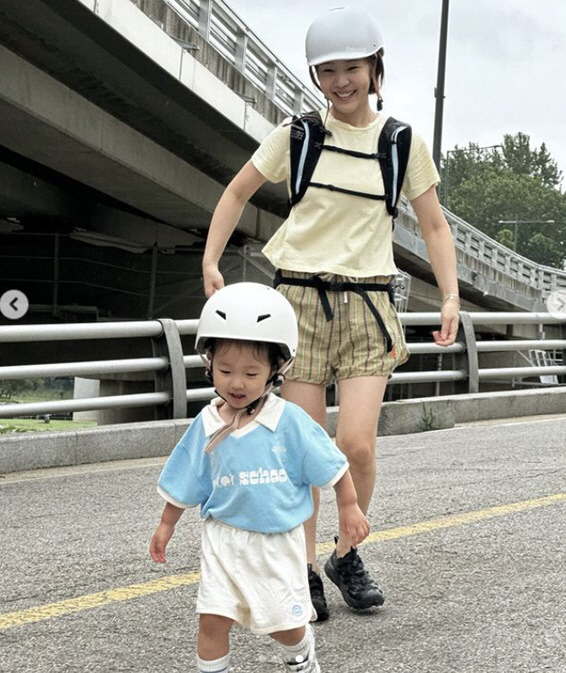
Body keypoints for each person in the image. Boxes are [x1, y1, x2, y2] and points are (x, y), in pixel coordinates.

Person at [201, 6, 460, 621]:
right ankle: (304, 567)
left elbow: (433, 224)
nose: (340, 81)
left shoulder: (401, 142)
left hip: (369, 302)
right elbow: (238, 189)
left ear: (375, 69)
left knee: (356, 447)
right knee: (306, 449)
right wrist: (211, 263)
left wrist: (449, 295)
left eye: (351, 68)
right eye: (327, 71)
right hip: (297, 305)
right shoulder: (297, 135)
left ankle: (347, 554)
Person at [149, 282, 370, 673]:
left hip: (276, 544)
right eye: (225, 370)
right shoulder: (207, 423)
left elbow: (333, 467)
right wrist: (166, 525)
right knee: (212, 619)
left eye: (251, 372)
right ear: (209, 366)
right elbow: (187, 477)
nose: (237, 383)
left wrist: (349, 508)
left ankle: (301, 654)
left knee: (284, 626)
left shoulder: (288, 421)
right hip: (222, 539)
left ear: (275, 370)